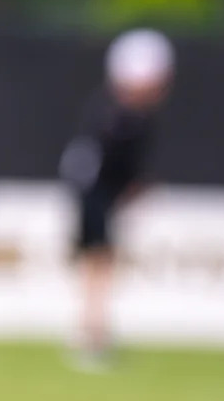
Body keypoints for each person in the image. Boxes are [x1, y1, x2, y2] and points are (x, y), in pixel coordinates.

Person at [59, 28, 175, 370]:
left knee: (99, 265)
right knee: (99, 264)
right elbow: (105, 165)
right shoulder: (119, 117)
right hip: (94, 196)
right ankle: (91, 335)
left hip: (97, 196)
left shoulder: (121, 114)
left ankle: (93, 333)